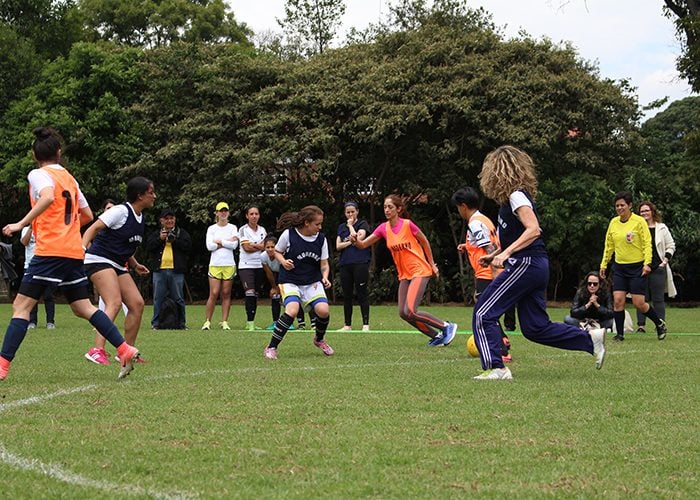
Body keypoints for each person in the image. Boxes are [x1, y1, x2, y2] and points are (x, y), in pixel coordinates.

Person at [0, 127, 139, 381]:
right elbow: (86, 216)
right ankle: (124, 348)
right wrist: (66, 225)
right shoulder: (71, 180)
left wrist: (21, 224)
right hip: (73, 251)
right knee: (83, 307)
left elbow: (48, 197)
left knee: (21, 307)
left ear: (35, 155)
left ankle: (2, 366)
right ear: (59, 153)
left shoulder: (38, 174)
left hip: (50, 251)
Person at [474, 145, 605, 380]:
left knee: (484, 312)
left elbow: (534, 230)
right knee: (535, 328)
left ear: (499, 172)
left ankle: (497, 368)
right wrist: (495, 255)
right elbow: (518, 236)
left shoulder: (516, 196)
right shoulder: (508, 202)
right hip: (533, 266)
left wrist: (507, 255)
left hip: (526, 264)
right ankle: (590, 339)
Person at [351, 195, 457, 347]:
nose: (386, 210)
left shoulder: (407, 225)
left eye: (390, 207)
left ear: (398, 209)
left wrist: (432, 264)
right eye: (385, 207)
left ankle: (447, 326)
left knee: (411, 311)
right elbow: (363, 245)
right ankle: (437, 336)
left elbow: (424, 241)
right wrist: (355, 241)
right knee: (403, 313)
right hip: (405, 274)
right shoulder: (383, 228)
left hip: (419, 270)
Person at [82, 179, 155, 365]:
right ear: (140, 195)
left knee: (137, 303)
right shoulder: (120, 211)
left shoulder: (140, 217)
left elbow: (122, 245)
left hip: (118, 264)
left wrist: (136, 264)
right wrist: (80, 250)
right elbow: (93, 228)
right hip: (98, 259)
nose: (154, 196)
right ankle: (96, 350)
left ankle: (126, 352)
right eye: (151, 192)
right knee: (113, 302)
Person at [263, 206, 333, 360]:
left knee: (323, 310)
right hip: (290, 280)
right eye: (317, 224)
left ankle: (319, 340)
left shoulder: (321, 239)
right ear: (307, 223)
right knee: (292, 310)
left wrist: (325, 276)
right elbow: (277, 252)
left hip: (311, 281)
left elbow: (324, 264)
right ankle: (271, 347)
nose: (320, 227)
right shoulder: (289, 235)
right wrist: (283, 261)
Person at [451, 187, 512, 363]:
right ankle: (503, 340)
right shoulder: (484, 219)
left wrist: (496, 271)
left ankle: (502, 350)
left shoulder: (474, 223)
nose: (458, 211)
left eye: (458, 207)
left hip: (486, 273)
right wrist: (467, 246)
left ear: (464, 206)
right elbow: (485, 242)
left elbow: (490, 248)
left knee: (485, 310)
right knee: (486, 309)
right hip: (486, 272)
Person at [600, 192, 668, 341]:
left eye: (622, 205)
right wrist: (604, 264)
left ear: (629, 206)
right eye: (617, 205)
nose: (619, 208)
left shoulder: (639, 222)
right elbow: (609, 245)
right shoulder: (613, 222)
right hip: (619, 267)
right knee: (618, 300)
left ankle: (659, 323)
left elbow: (647, 244)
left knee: (639, 303)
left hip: (637, 267)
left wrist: (647, 264)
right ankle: (620, 334)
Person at [146, 207, 192, 329]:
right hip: (159, 270)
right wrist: (159, 239)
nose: (169, 221)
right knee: (158, 298)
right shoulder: (157, 234)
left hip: (176, 270)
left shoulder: (181, 233)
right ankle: (155, 323)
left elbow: (188, 248)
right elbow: (149, 247)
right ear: (161, 221)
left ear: (175, 220)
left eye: (171, 218)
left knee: (179, 298)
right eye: (166, 219)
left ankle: (181, 323)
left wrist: (174, 240)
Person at [635, 201, 676, 333]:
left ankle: (660, 324)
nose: (644, 213)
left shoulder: (662, 228)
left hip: (658, 268)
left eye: (647, 210)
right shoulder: (636, 228)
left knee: (658, 299)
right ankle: (641, 326)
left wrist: (664, 261)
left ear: (652, 212)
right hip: (641, 267)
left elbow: (671, 245)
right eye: (642, 211)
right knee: (641, 298)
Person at [202, 202, 239, 331]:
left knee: (226, 293)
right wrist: (227, 241)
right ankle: (207, 321)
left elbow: (234, 246)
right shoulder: (211, 229)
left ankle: (224, 321)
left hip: (229, 264)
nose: (223, 213)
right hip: (215, 264)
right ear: (216, 213)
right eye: (220, 211)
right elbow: (209, 246)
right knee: (214, 292)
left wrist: (219, 241)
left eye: (225, 210)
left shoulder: (233, 227)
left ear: (228, 212)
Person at [335, 202, 371, 332]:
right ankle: (347, 325)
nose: (350, 214)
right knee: (347, 295)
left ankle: (365, 324)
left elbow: (359, 238)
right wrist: (351, 242)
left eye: (352, 212)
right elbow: (338, 246)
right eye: (347, 212)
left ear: (357, 212)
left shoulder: (362, 224)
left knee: (362, 293)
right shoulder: (341, 227)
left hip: (360, 262)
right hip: (345, 264)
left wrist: (350, 227)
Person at [261, 235, 306, 330]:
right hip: (277, 275)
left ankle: (299, 323)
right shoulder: (263, 257)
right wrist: (274, 287)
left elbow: (285, 270)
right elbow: (269, 273)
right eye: (267, 247)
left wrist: (279, 287)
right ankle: (275, 322)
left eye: (272, 247)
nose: (270, 249)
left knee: (291, 297)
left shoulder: (282, 255)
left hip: (289, 275)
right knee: (275, 295)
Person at [20, 227, 56, 329]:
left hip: (47, 265)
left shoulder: (47, 227)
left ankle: (50, 322)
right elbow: (24, 242)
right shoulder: (25, 229)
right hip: (30, 266)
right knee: (31, 296)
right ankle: (32, 321)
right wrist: (32, 227)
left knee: (48, 295)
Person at [238, 205, 267, 331]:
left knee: (255, 294)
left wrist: (254, 245)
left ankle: (253, 322)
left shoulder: (262, 230)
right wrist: (258, 246)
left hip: (260, 264)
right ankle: (249, 323)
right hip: (246, 265)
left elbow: (266, 246)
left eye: (256, 213)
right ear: (247, 216)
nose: (254, 216)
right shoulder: (243, 230)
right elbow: (246, 248)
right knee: (249, 292)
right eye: (251, 214)